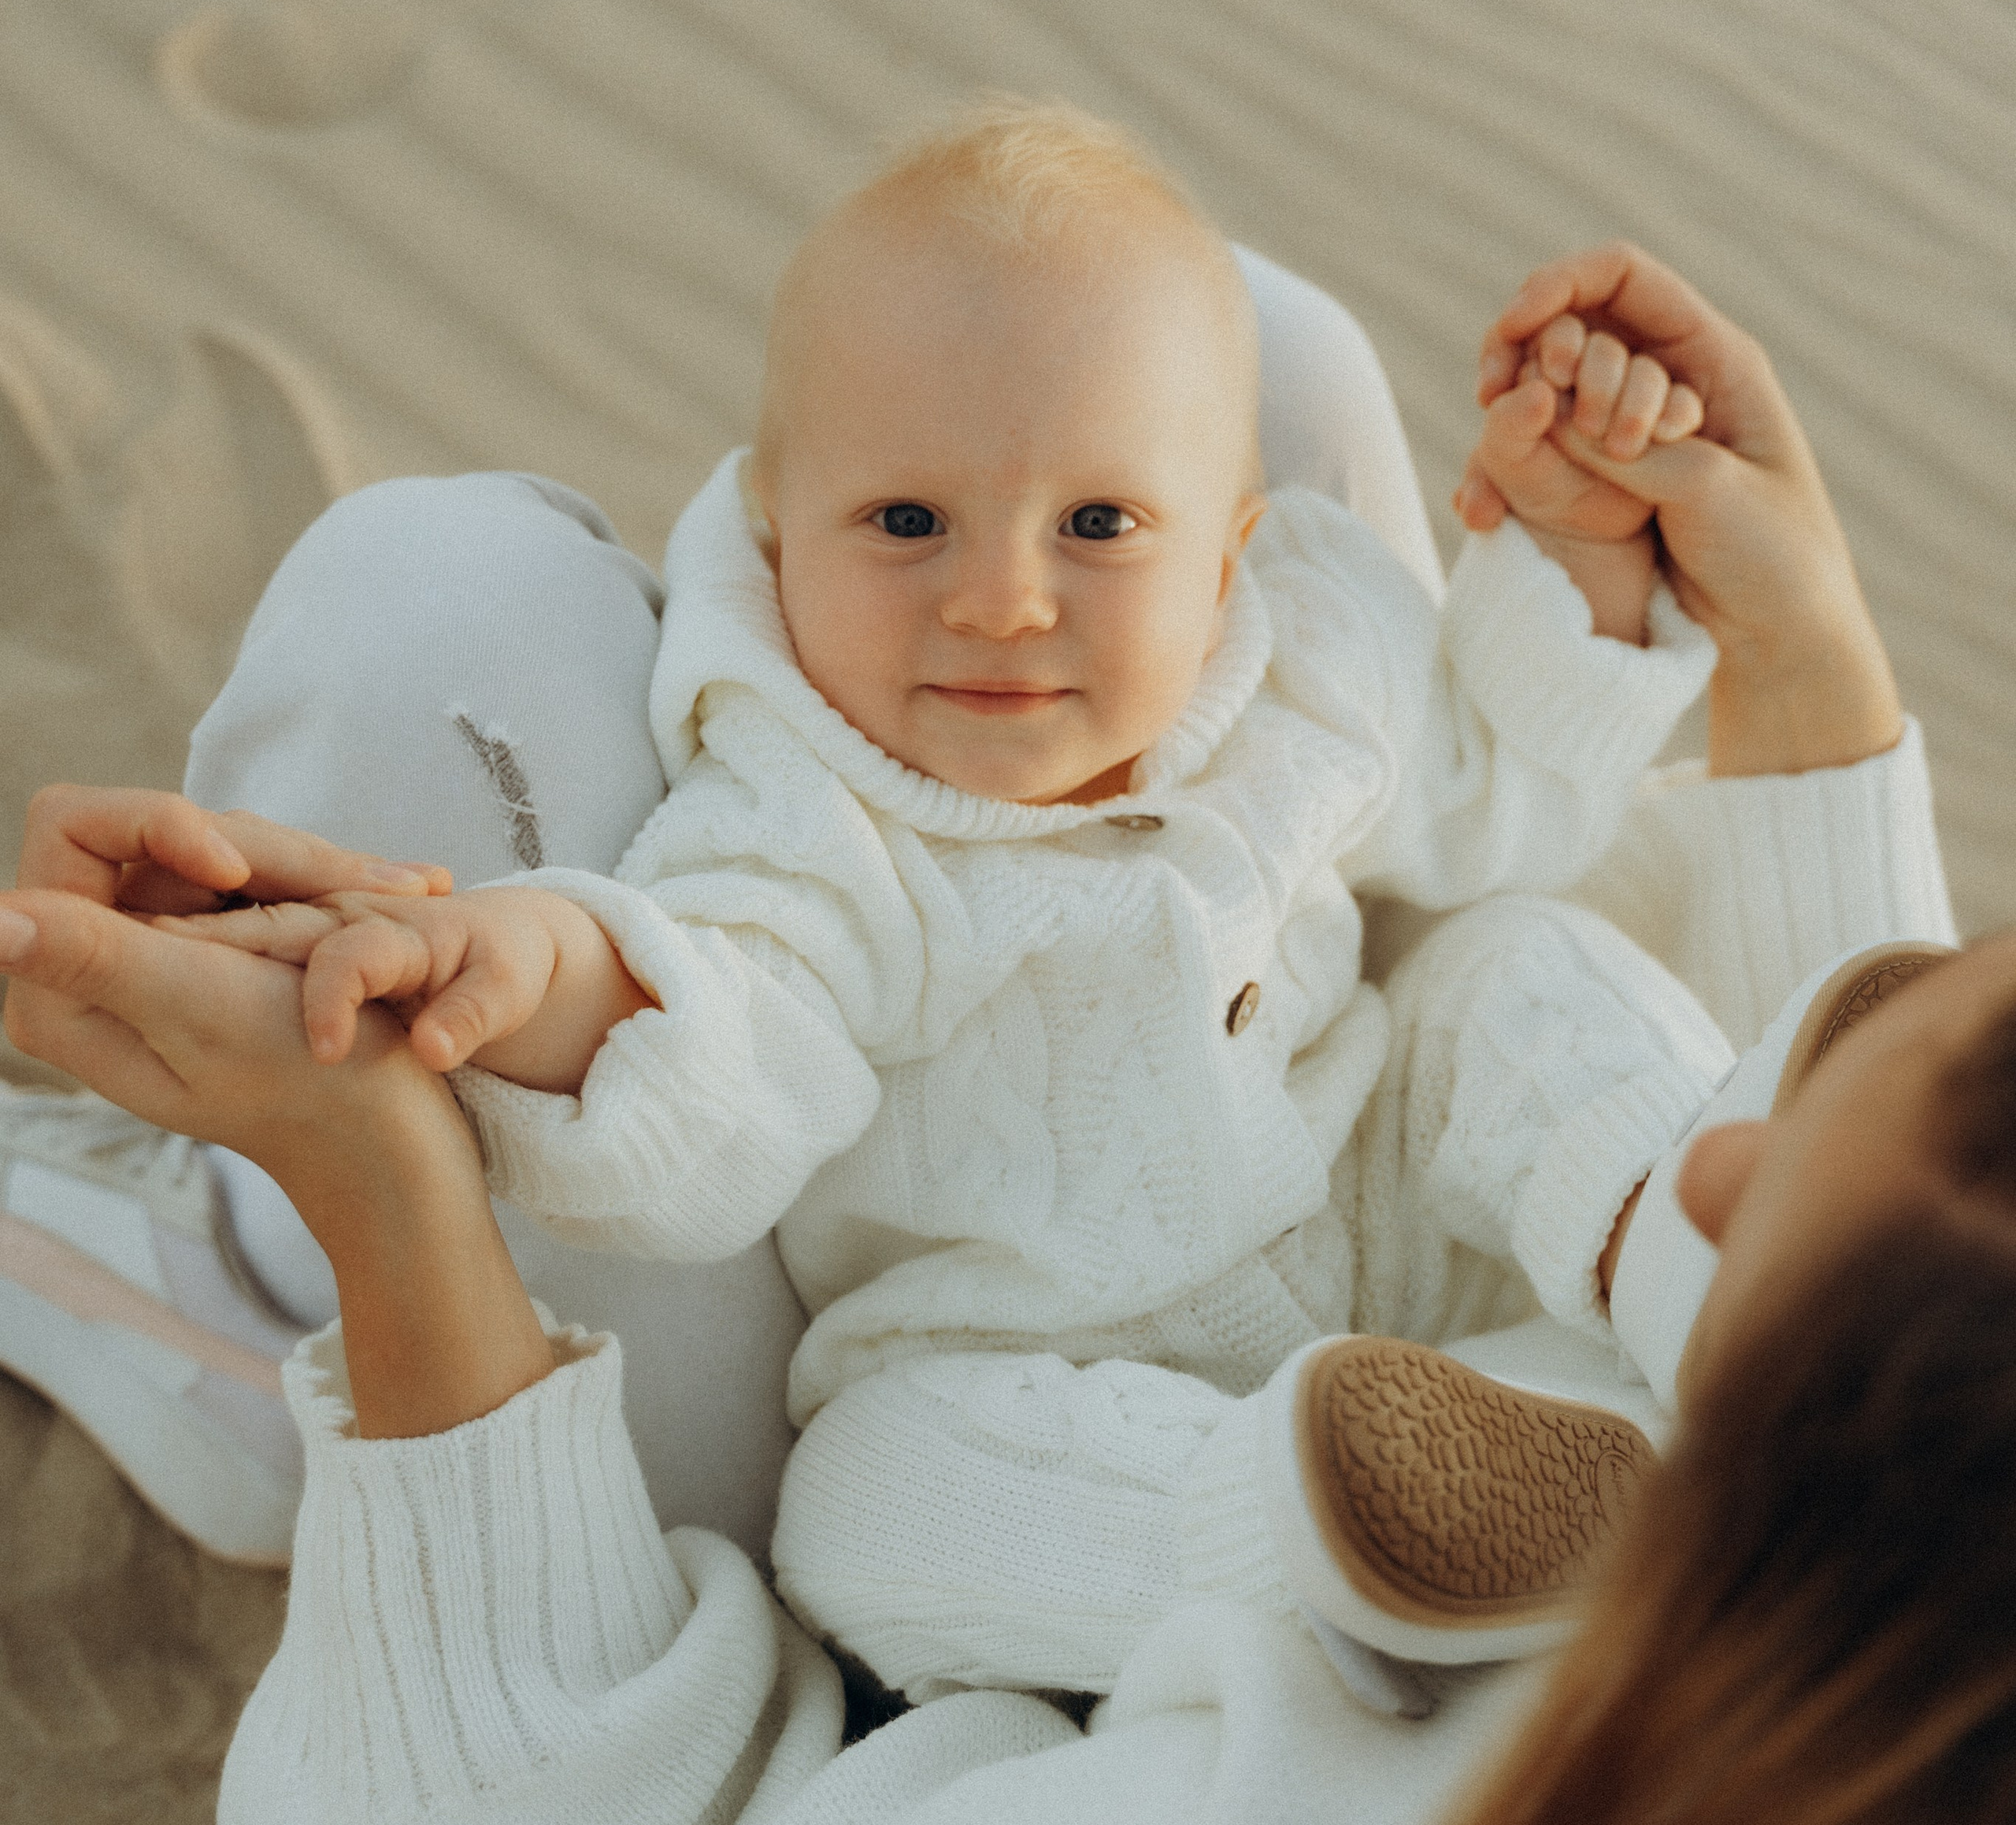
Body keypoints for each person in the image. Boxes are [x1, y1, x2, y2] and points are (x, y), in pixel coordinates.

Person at [0, 254, 1999, 1825]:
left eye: (1826, 1068)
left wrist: (391, 1210)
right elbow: (1886, 1198)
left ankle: (263, 1310)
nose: (1000, 600)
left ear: (1746, 1221)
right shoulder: (1906, 1514)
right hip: (1349, 1196)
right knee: (1202, 344)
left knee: (439, 620)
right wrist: (1795, 656)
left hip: (925, 1523)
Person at [57, 105, 1835, 1695]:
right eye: (906, 523)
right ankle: (1327, 1539)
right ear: (774, 535)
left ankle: (1731, 1274)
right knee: (871, 1499)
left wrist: (1585, 555)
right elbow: (721, 1015)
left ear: (1227, 548)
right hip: (1022, 1346)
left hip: (1362, 1184)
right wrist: (513, 962)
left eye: (1097, 528)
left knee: (1520, 972)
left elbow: (1499, 799)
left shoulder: (1301, 663)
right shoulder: (814, 802)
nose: (998, 602)